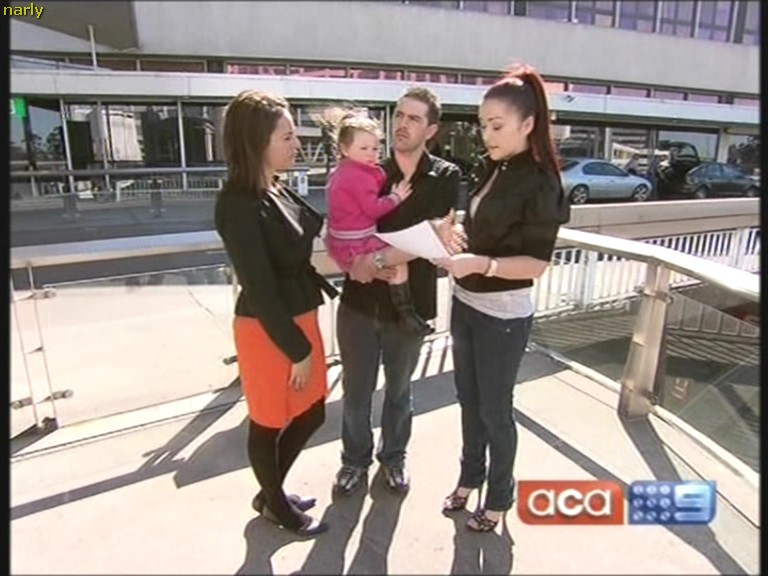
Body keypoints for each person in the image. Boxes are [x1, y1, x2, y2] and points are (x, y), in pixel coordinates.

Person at [436, 64, 570, 532]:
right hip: (466, 302)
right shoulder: (492, 166)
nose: (486, 135)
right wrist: (455, 235)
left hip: (504, 315)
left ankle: (498, 498)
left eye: (496, 126)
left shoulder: (542, 181)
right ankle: (468, 477)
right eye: (482, 125)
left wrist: (483, 264)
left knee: (495, 411)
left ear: (527, 124)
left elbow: (535, 264)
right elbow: (483, 232)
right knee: (468, 401)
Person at [214, 90, 337, 537]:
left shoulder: (276, 187)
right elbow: (260, 288)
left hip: (300, 314)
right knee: (268, 421)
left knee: (312, 411)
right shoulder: (237, 203)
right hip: (269, 328)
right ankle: (277, 505)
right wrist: (297, 349)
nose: (297, 145)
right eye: (287, 137)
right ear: (256, 142)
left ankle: (270, 494)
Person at [333, 87, 462, 495]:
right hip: (359, 301)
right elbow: (341, 224)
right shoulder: (367, 165)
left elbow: (438, 236)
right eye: (400, 115)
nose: (402, 125)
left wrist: (376, 260)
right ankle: (354, 461)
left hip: (410, 305)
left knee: (400, 391)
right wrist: (373, 259)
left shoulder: (445, 175)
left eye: (414, 118)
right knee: (355, 392)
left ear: (431, 130)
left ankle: (393, 458)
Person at [324, 110, 433, 336]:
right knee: (399, 262)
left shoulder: (339, 172)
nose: (371, 154)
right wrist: (396, 197)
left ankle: (387, 289)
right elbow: (373, 209)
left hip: (341, 243)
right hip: (359, 241)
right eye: (364, 148)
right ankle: (407, 313)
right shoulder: (359, 176)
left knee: (382, 268)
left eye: (375, 148)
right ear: (345, 149)